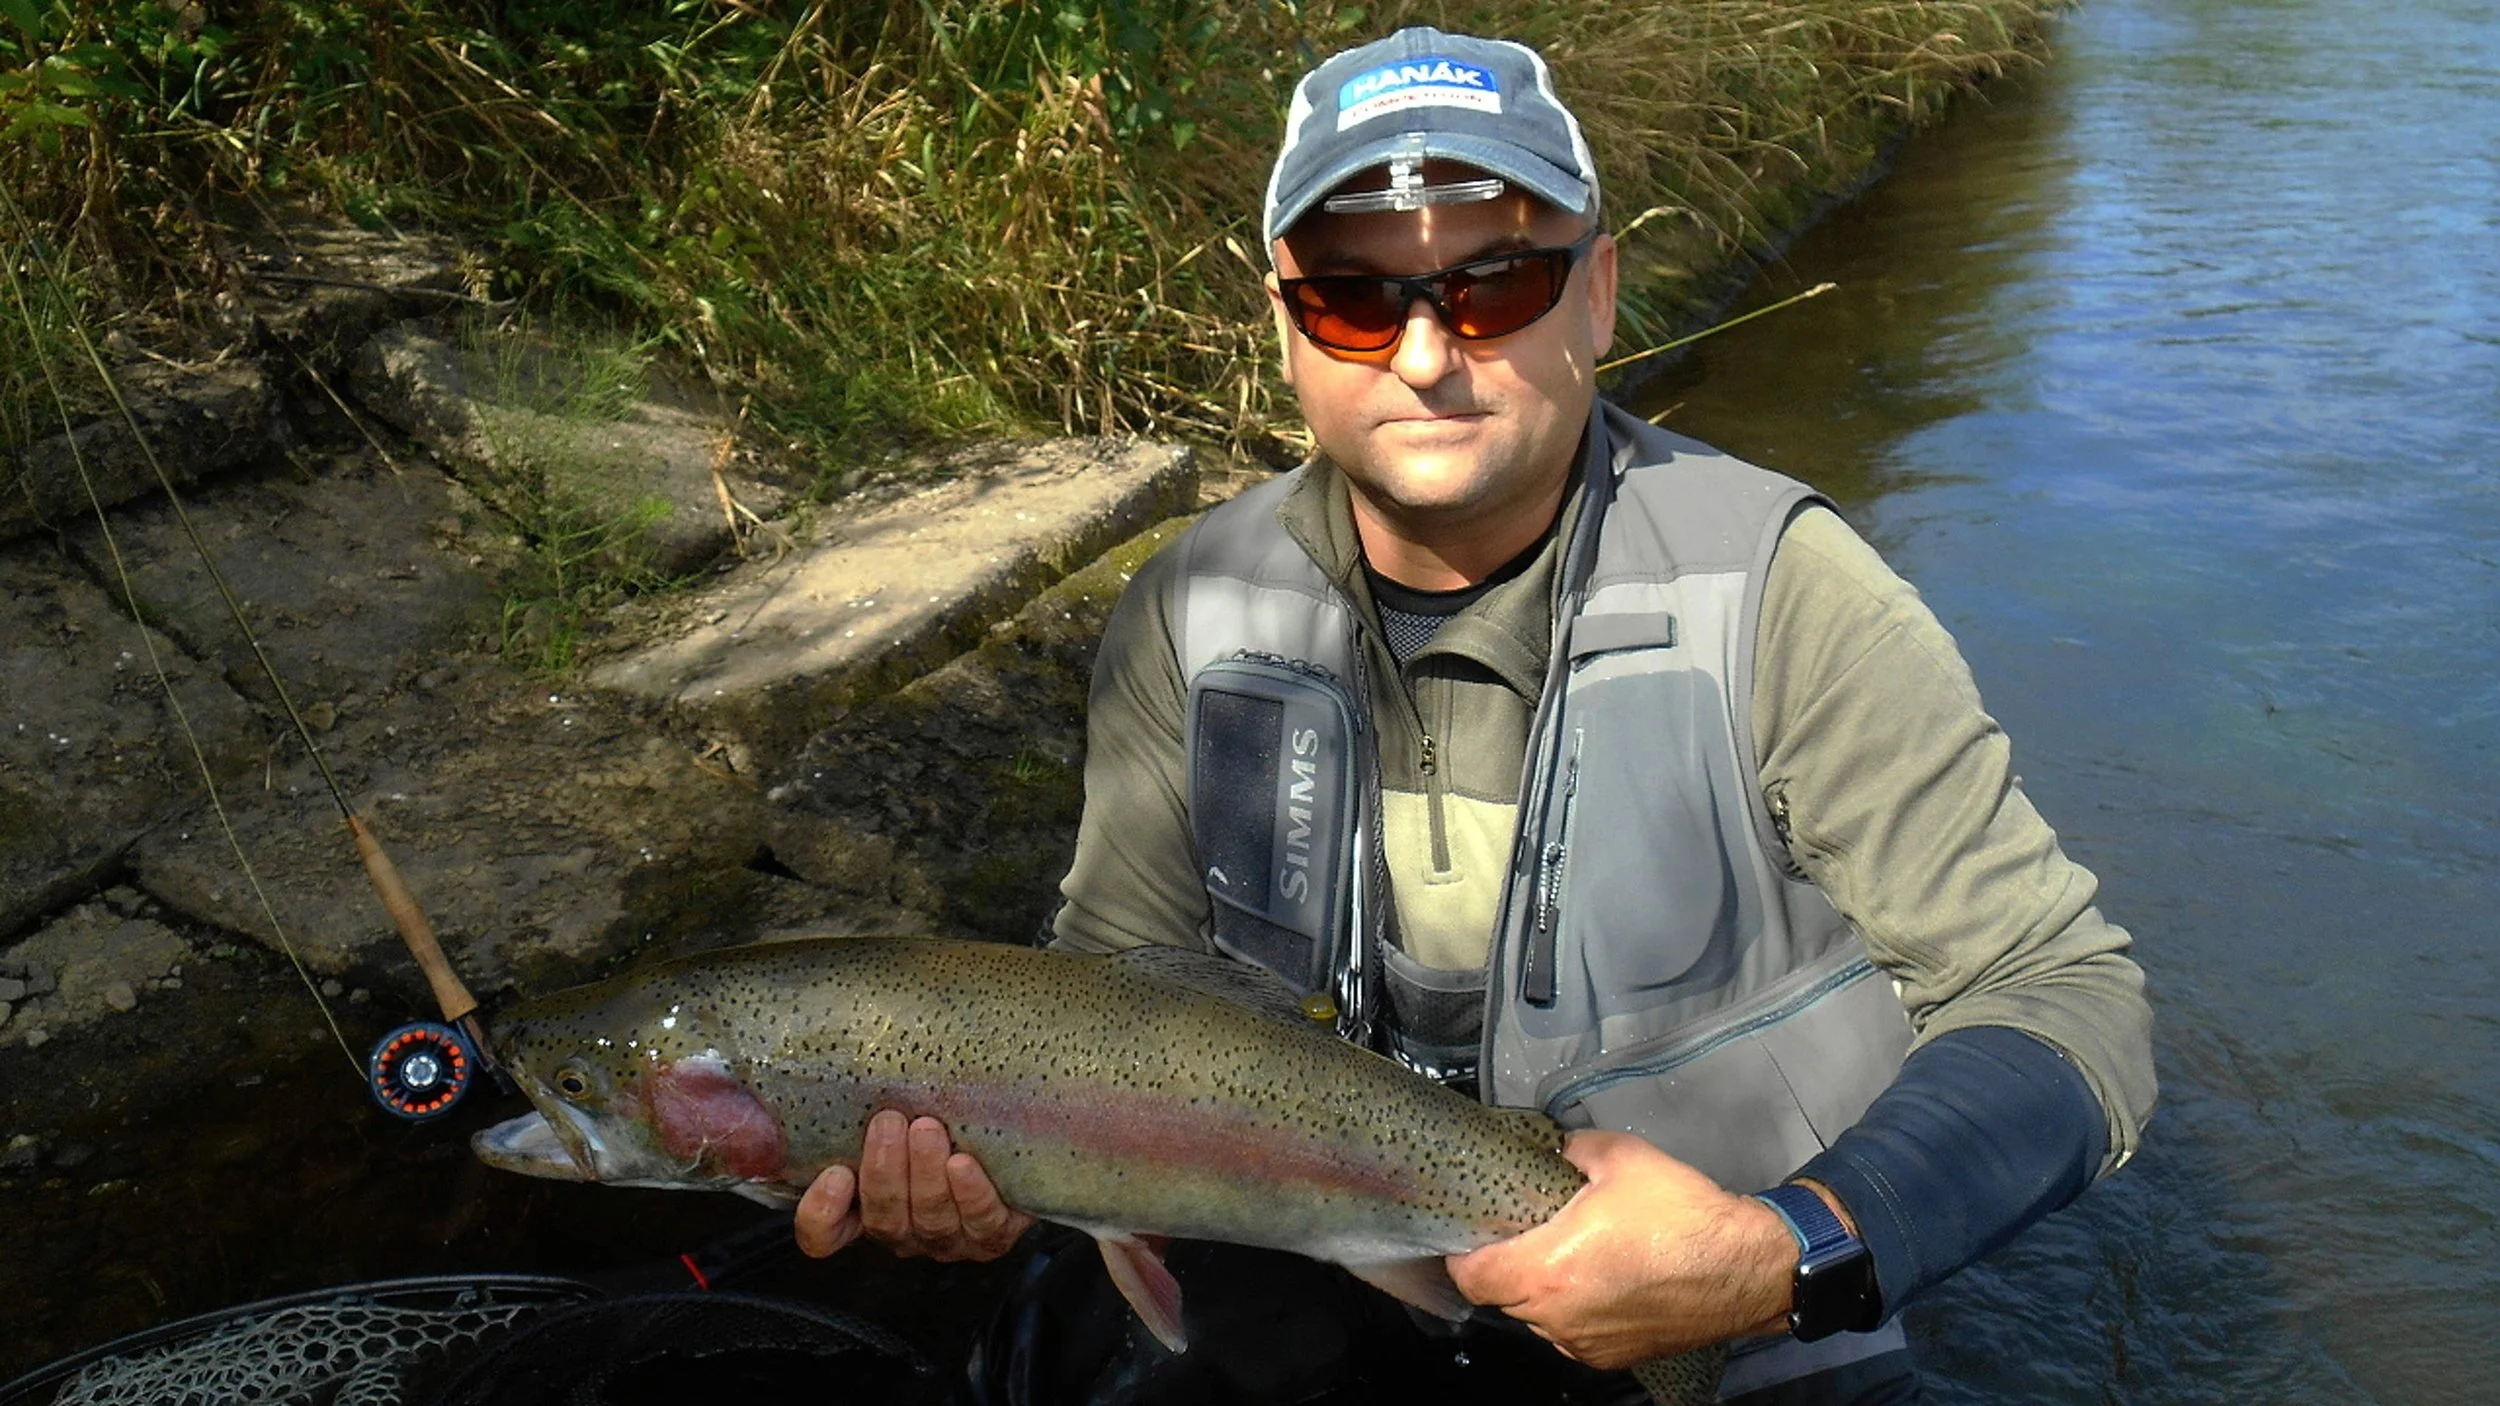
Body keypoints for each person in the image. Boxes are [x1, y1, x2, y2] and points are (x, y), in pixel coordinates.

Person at [794, 25, 2155, 1404]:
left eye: (1495, 283)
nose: (1429, 352)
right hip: (1324, 1274)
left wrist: (1787, 1251)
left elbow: (2066, 1003)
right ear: (1283, 326)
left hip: (1739, 1320)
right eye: (1353, 298)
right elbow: (1100, 1001)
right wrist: (1008, 1169)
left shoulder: (1785, 593)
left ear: (1602, 294)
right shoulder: (1188, 611)